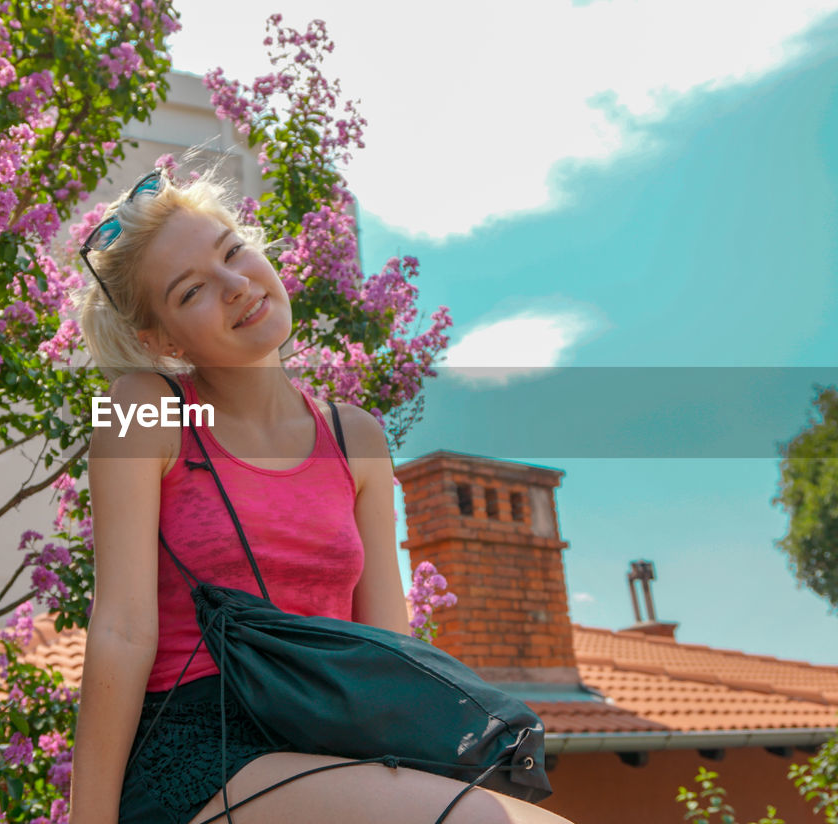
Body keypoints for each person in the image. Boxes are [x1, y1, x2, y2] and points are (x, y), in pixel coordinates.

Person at [68, 167, 574, 824]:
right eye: (191, 290)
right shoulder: (140, 407)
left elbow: (387, 643)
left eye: (232, 251)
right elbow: (121, 628)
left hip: (331, 743)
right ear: (162, 340)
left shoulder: (355, 434)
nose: (234, 286)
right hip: (198, 748)